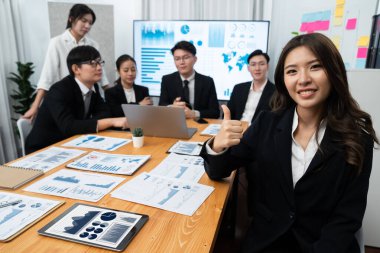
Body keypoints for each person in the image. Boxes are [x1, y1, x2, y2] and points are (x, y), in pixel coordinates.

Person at [201, 33, 378, 252]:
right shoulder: (266, 122)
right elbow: (219, 169)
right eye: (292, 71)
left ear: (334, 72)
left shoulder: (357, 137)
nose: (303, 79)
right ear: (284, 80)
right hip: (266, 242)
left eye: (315, 67)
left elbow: (347, 217)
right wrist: (218, 145)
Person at [25, 46, 127, 154]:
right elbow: (68, 126)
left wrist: (81, 125)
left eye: (100, 62)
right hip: (44, 148)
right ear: (76, 69)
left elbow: (104, 112)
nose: (99, 67)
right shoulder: (59, 90)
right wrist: (112, 121)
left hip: (73, 143)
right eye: (93, 63)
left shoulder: (93, 86)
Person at [23, 3, 110, 121]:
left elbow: (102, 76)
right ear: (71, 19)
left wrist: (112, 97)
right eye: (83, 21)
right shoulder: (57, 42)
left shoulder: (93, 44)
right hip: (66, 97)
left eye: (90, 23)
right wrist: (35, 106)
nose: (87, 26)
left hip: (86, 97)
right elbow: (47, 77)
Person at [159, 40, 220, 119]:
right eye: (177, 59)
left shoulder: (207, 82)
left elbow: (215, 112)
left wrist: (194, 114)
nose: (181, 62)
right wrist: (172, 107)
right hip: (175, 124)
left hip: (199, 125)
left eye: (186, 57)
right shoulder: (167, 80)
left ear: (195, 59)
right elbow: (161, 106)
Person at [228, 49, 275, 124]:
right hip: (237, 131)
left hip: (259, 133)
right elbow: (228, 114)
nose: (257, 68)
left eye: (261, 64)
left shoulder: (276, 92)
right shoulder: (238, 88)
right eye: (253, 64)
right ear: (248, 68)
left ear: (267, 66)